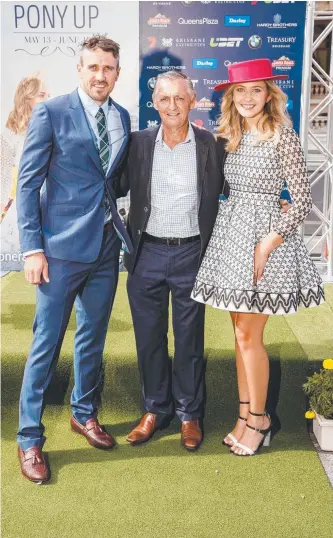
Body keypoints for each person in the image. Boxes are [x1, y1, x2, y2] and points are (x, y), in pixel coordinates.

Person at [191, 59, 325, 456]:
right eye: (241, 91)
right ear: (231, 96)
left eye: (256, 90)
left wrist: (268, 243)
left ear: (269, 94)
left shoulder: (282, 133)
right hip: (232, 238)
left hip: (265, 241)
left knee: (250, 336)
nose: (248, 98)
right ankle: (245, 414)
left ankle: (259, 420)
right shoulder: (231, 134)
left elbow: (301, 202)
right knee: (239, 335)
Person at [16, 34, 132, 483]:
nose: (100, 75)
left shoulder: (121, 116)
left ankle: (84, 414)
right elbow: (27, 185)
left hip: (106, 248)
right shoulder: (50, 111)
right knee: (46, 344)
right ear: (80, 70)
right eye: (93, 67)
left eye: (108, 68)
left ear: (117, 73)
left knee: (93, 337)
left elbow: (113, 181)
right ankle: (29, 438)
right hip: (59, 251)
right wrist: (32, 248)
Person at [118, 71, 227, 451]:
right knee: (148, 338)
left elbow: (235, 188)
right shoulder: (137, 143)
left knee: (189, 341)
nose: (172, 106)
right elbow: (109, 185)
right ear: (155, 103)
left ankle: (190, 414)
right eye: (164, 99)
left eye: (179, 98)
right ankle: (154, 410)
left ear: (192, 99)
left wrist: (275, 198)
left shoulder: (212, 145)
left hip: (191, 254)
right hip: (145, 251)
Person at [1, 75, 49, 271]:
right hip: (23, 207)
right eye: (41, 95)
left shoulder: (51, 125)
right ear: (26, 98)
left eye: (49, 95)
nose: (47, 100)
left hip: (52, 206)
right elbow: (3, 176)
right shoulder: (8, 134)